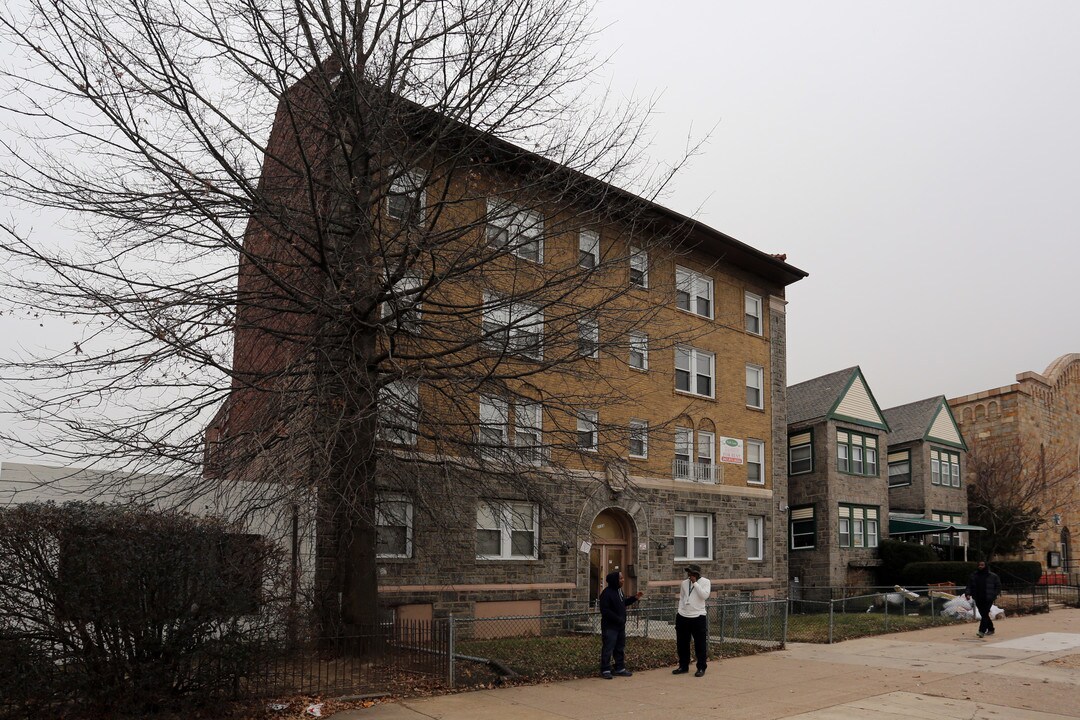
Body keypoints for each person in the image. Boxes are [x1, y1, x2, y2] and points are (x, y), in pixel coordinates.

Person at [598, 570, 643, 679]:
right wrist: (617, 619)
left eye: (623, 578)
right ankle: (605, 669)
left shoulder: (620, 591)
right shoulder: (606, 593)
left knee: (619, 647)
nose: (623, 580)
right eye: (621, 578)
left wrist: (634, 598)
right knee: (608, 648)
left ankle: (619, 668)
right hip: (610, 627)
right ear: (615, 580)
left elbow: (623, 603)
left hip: (620, 626)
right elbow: (605, 610)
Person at [673, 563, 711, 677]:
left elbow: (704, 596)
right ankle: (683, 666)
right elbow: (682, 597)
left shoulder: (705, 582)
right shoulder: (684, 583)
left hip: (698, 616)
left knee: (700, 644)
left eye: (691, 573)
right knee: (682, 644)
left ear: (697, 574)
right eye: (688, 573)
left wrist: (695, 583)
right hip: (683, 616)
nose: (689, 575)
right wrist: (680, 610)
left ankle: (701, 667)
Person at [964, 560, 1002, 638]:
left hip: (988, 598)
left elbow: (998, 586)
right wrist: (967, 594)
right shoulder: (974, 575)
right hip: (978, 598)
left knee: (984, 614)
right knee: (983, 614)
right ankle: (991, 629)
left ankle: (981, 631)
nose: (980, 566)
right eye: (979, 565)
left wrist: (994, 595)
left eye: (982, 565)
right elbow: (969, 586)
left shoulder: (993, 576)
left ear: (986, 566)